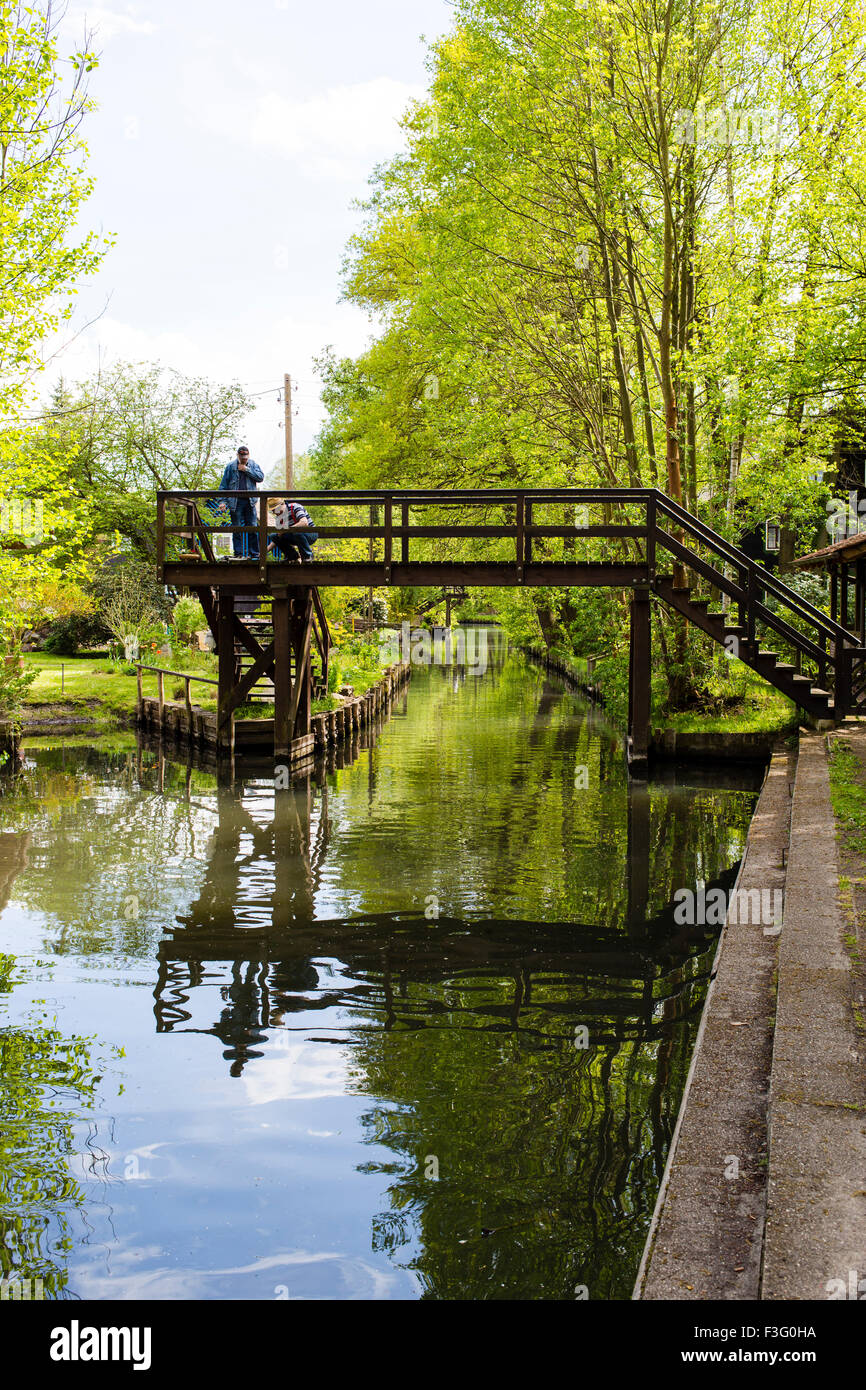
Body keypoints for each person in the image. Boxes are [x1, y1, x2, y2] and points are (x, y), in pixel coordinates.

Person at [218, 447, 264, 558]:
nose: (244, 459)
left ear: (248, 455)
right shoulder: (230, 467)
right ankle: (238, 553)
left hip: (250, 501)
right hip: (235, 501)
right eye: (242, 457)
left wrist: (246, 470)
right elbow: (223, 486)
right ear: (237, 455)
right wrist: (222, 501)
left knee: (252, 527)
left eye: (246, 457)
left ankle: (254, 554)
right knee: (236, 528)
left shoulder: (253, 465)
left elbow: (261, 477)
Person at [269, 497, 319, 563]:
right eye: (272, 511)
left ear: (281, 505)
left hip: (310, 533)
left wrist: (287, 530)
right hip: (295, 535)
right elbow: (278, 536)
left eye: (274, 510)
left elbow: (304, 522)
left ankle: (307, 556)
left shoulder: (295, 507)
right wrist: (265, 551)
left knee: (296, 532)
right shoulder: (279, 517)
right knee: (274, 536)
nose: (274, 512)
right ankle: (292, 557)